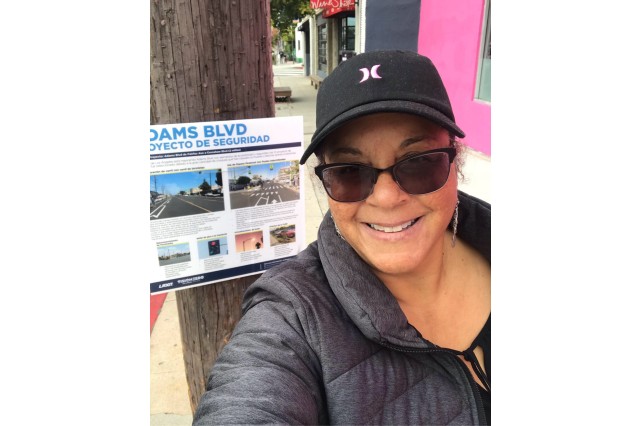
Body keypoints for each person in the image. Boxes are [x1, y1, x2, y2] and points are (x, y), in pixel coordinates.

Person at [193, 50, 491, 425]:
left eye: (418, 162)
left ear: (456, 161)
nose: (385, 198)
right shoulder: (293, 314)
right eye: (349, 171)